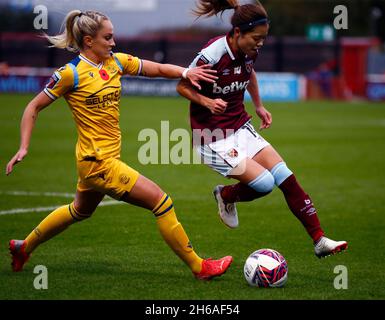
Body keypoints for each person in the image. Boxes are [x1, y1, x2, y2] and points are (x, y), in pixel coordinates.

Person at [6, 9, 232, 280]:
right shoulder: (70, 74)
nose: (113, 43)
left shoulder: (116, 62)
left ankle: (23, 247)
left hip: (95, 163)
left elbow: (156, 68)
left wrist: (186, 72)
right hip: (98, 163)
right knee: (161, 202)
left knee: (79, 210)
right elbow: (33, 107)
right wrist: (23, 146)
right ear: (89, 41)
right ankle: (200, 267)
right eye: (108, 37)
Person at [176, 0, 348, 258]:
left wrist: (258, 105)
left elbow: (250, 73)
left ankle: (319, 240)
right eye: (256, 38)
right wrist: (207, 101)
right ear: (237, 33)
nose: (260, 44)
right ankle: (225, 195)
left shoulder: (249, 50)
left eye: (264, 38)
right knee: (265, 183)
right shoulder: (212, 54)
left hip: (239, 127)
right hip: (212, 139)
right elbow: (182, 86)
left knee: (285, 176)